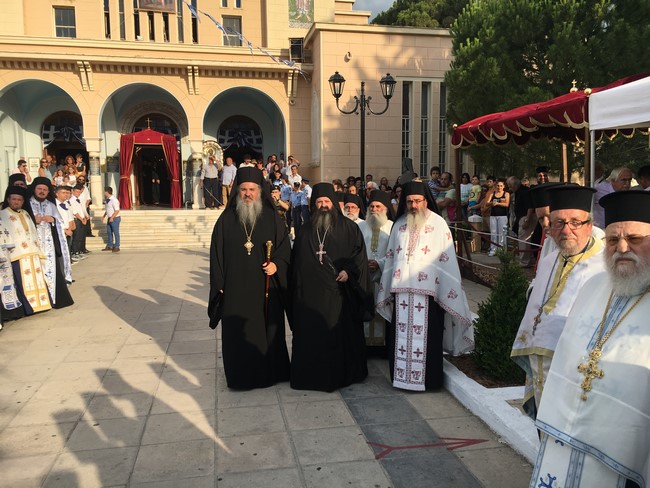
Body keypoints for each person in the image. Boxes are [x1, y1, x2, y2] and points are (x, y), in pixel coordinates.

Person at [530, 190, 650, 488]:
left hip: (627, 448)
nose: (622, 248)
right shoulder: (595, 286)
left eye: (635, 239)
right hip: (568, 433)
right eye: (612, 240)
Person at [511, 185, 605, 420]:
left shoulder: (605, 266)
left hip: (576, 370)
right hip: (541, 365)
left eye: (575, 222)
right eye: (558, 223)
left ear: (589, 225)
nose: (566, 230)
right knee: (544, 425)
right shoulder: (550, 259)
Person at [376, 181, 473, 391]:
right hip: (401, 294)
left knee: (429, 339)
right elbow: (391, 258)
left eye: (418, 201)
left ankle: (429, 381)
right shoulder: (398, 224)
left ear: (426, 201)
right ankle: (401, 379)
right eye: (410, 201)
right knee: (400, 338)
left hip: (429, 295)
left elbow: (446, 260)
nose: (414, 205)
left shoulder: (439, 224)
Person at [208, 167, 291, 389]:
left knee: (267, 330)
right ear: (237, 191)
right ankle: (241, 377)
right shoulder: (226, 220)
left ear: (259, 191)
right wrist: (219, 285)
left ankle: (271, 373)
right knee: (238, 334)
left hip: (265, 288)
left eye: (252, 189)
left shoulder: (273, 218)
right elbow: (216, 255)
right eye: (243, 189)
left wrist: (276, 264)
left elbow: (285, 250)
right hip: (235, 290)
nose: (247, 194)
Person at [289, 182, 373, 392]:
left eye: (326, 201)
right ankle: (311, 376)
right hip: (311, 296)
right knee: (313, 336)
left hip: (339, 295)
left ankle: (343, 374)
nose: (323, 205)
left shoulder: (349, 228)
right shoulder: (305, 230)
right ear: (313, 204)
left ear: (333, 203)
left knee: (339, 335)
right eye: (319, 202)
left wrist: (349, 272)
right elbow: (296, 262)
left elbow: (359, 257)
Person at [0, 185, 52, 315]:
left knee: (38, 281)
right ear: (8, 199)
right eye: (14, 199)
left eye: (19, 200)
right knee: (23, 283)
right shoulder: (3, 215)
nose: (16, 202)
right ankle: (29, 308)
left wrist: (39, 251)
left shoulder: (26, 213)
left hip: (33, 253)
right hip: (16, 254)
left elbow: (33, 233)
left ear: (23, 201)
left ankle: (42, 305)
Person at [357, 190, 394, 354]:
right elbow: (355, 250)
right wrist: (364, 263)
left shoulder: (393, 227)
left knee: (383, 308)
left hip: (384, 277)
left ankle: (382, 348)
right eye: (371, 206)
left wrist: (379, 263)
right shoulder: (360, 226)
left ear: (385, 208)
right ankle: (365, 347)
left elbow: (395, 253)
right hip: (364, 276)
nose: (374, 209)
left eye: (378, 206)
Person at [28, 177, 74, 308]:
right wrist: (33, 220)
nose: (42, 192)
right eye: (39, 189)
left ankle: (52, 299)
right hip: (33, 246)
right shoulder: (28, 204)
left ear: (48, 192)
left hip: (49, 247)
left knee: (51, 270)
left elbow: (59, 222)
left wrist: (53, 219)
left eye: (45, 189)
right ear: (34, 189)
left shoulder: (51, 205)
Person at [487, 178, 510, 256]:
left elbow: (506, 204)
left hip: (502, 216)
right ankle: (493, 249)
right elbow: (487, 203)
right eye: (498, 186)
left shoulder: (506, 194)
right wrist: (492, 203)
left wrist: (497, 203)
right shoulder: (492, 194)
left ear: (503, 186)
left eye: (501, 186)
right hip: (493, 215)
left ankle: (501, 249)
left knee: (502, 232)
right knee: (493, 232)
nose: (499, 187)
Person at [102, 186, 121, 252]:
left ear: (107, 192)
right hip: (109, 217)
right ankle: (110, 245)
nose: (103, 193)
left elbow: (117, 210)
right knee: (109, 232)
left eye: (104, 191)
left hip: (115, 218)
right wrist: (104, 216)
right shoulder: (107, 199)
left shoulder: (114, 200)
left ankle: (117, 246)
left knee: (116, 232)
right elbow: (108, 209)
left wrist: (112, 217)